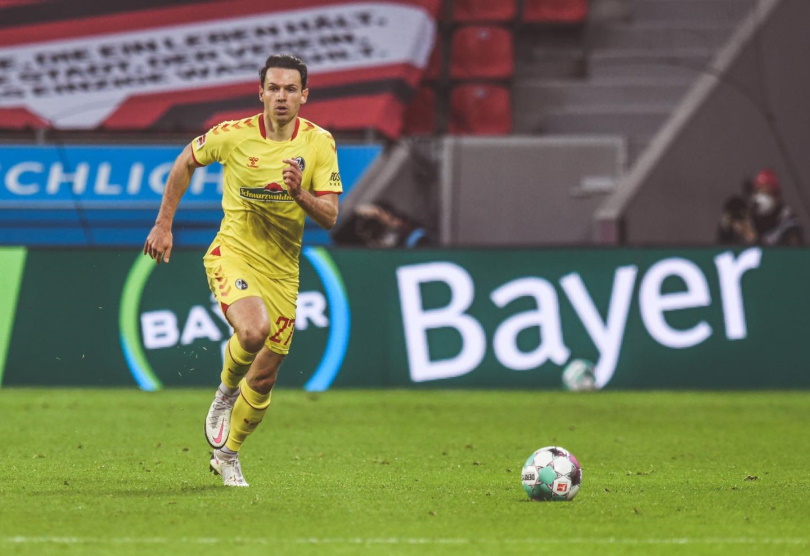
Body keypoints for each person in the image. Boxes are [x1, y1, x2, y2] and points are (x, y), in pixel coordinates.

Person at [143, 54, 342, 487]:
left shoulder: (319, 143)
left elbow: (330, 216)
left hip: (283, 269)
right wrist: (163, 224)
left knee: (266, 376)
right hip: (233, 252)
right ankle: (225, 392)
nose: (282, 96)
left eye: (291, 89)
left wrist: (300, 194)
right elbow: (186, 161)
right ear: (261, 93)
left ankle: (227, 455)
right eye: (274, 88)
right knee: (253, 331)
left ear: (304, 96)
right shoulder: (233, 135)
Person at [749, 168, 803, 246]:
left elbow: (793, 249)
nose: (761, 197)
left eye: (766, 193)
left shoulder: (788, 221)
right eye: (758, 192)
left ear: (776, 196)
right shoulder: (753, 220)